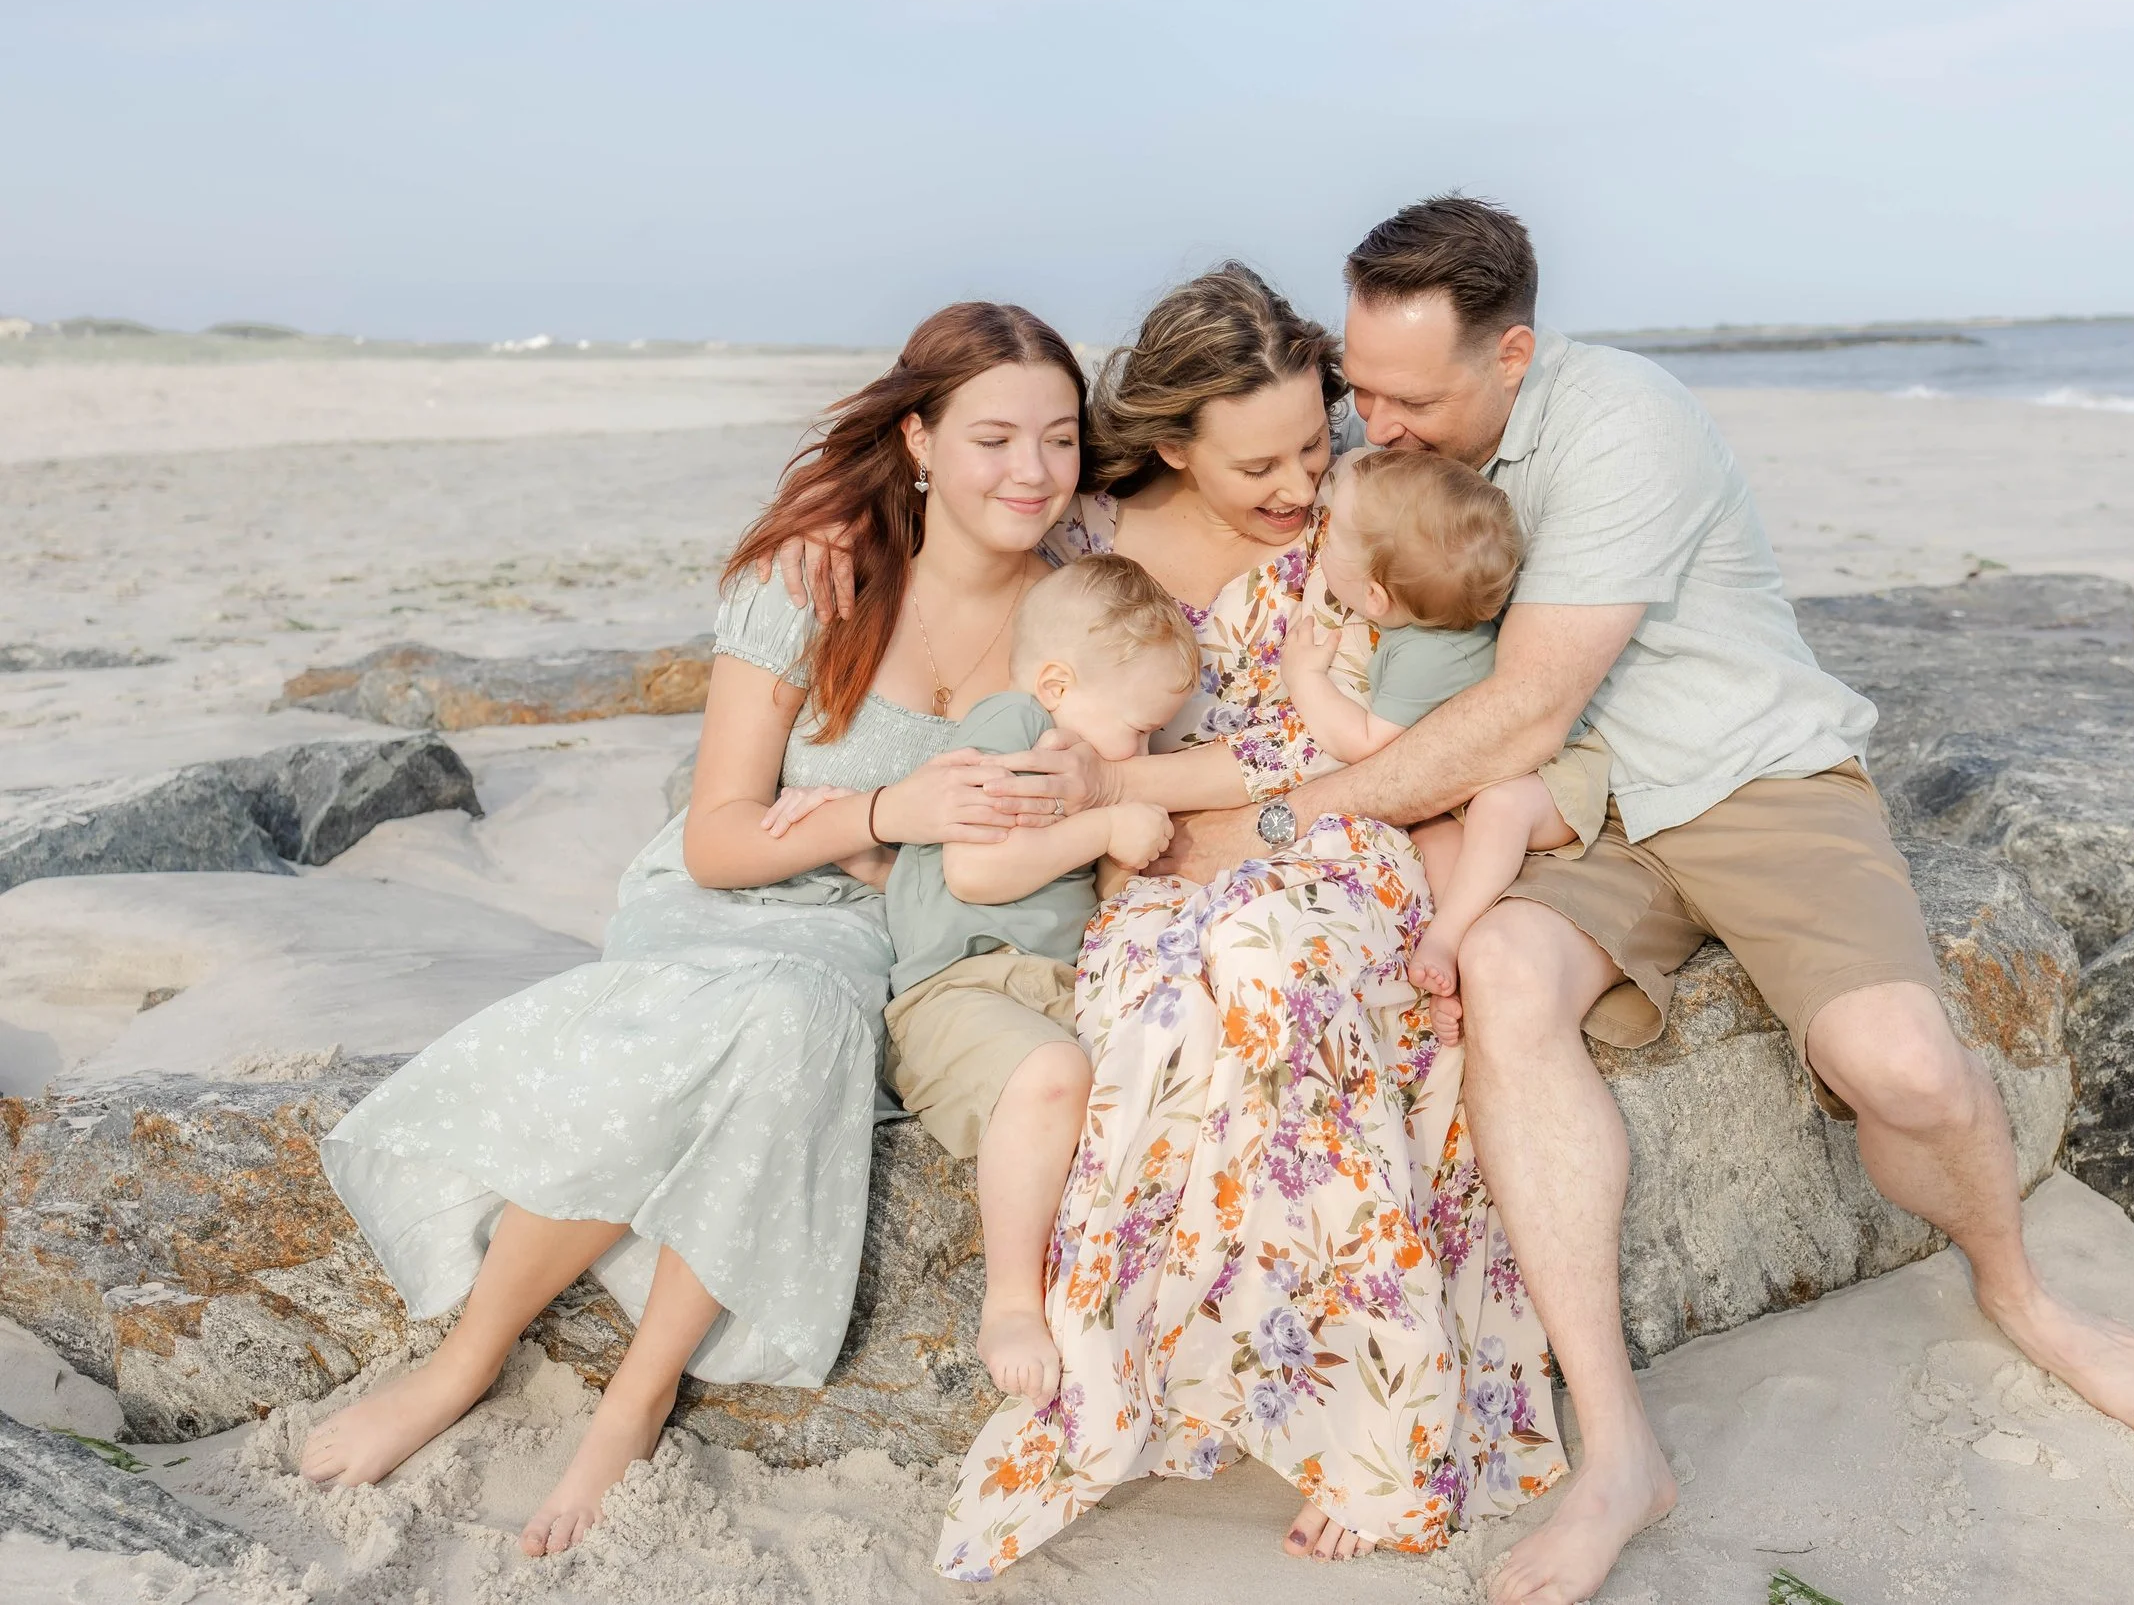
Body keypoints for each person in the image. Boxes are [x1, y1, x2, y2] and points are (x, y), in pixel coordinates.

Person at [1127, 197, 2134, 1605]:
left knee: (1908, 1068)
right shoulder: (1401, 445)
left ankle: (2015, 1285)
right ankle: (1621, 1446)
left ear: (1511, 355)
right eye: (1360, 385)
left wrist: (1273, 819)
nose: (1370, 423)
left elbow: (1524, 707)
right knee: (1506, 977)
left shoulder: (1623, 422)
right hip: (1581, 806)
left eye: (1406, 395)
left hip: (1736, 773)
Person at [774, 262, 1566, 1578]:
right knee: (1150, 1031)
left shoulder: (1350, 525)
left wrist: (1129, 786)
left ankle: (1370, 1412)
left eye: (1319, 440)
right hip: (1135, 872)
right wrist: (827, 523)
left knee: (1274, 973)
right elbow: (944, 515)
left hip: (1318, 833)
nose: (1302, 484)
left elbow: (1312, 739)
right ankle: (1165, 1378)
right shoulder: (1080, 538)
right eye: (1261, 462)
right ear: (1170, 442)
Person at [305, 301, 1084, 1558]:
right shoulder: (814, 582)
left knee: (796, 1019)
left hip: (894, 934)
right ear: (919, 436)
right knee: (758, 1014)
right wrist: (888, 807)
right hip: (732, 895)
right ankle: (465, 1359)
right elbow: (723, 834)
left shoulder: (1080, 610)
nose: (1033, 471)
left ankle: (636, 1393)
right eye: (995, 437)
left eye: (1060, 439)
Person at [770, 554, 1197, 1404]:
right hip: (957, 993)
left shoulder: (1061, 736)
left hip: (1032, 988)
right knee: (1051, 1075)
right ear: (1057, 682)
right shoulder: (1011, 723)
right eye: (1139, 728)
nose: (1141, 752)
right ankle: (1008, 1299)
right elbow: (975, 871)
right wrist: (1107, 821)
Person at [1278, 448, 1611, 995]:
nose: (1321, 544)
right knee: (1433, 840)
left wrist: (1304, 680)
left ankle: (1448, 939)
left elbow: (1366, 742)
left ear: (1374, 596)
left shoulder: (1427, 655)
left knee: (1497, 809)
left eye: (1332, 540)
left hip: (1550, 781)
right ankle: (1451, 974)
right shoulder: (1426, 620)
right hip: (1467, 782)